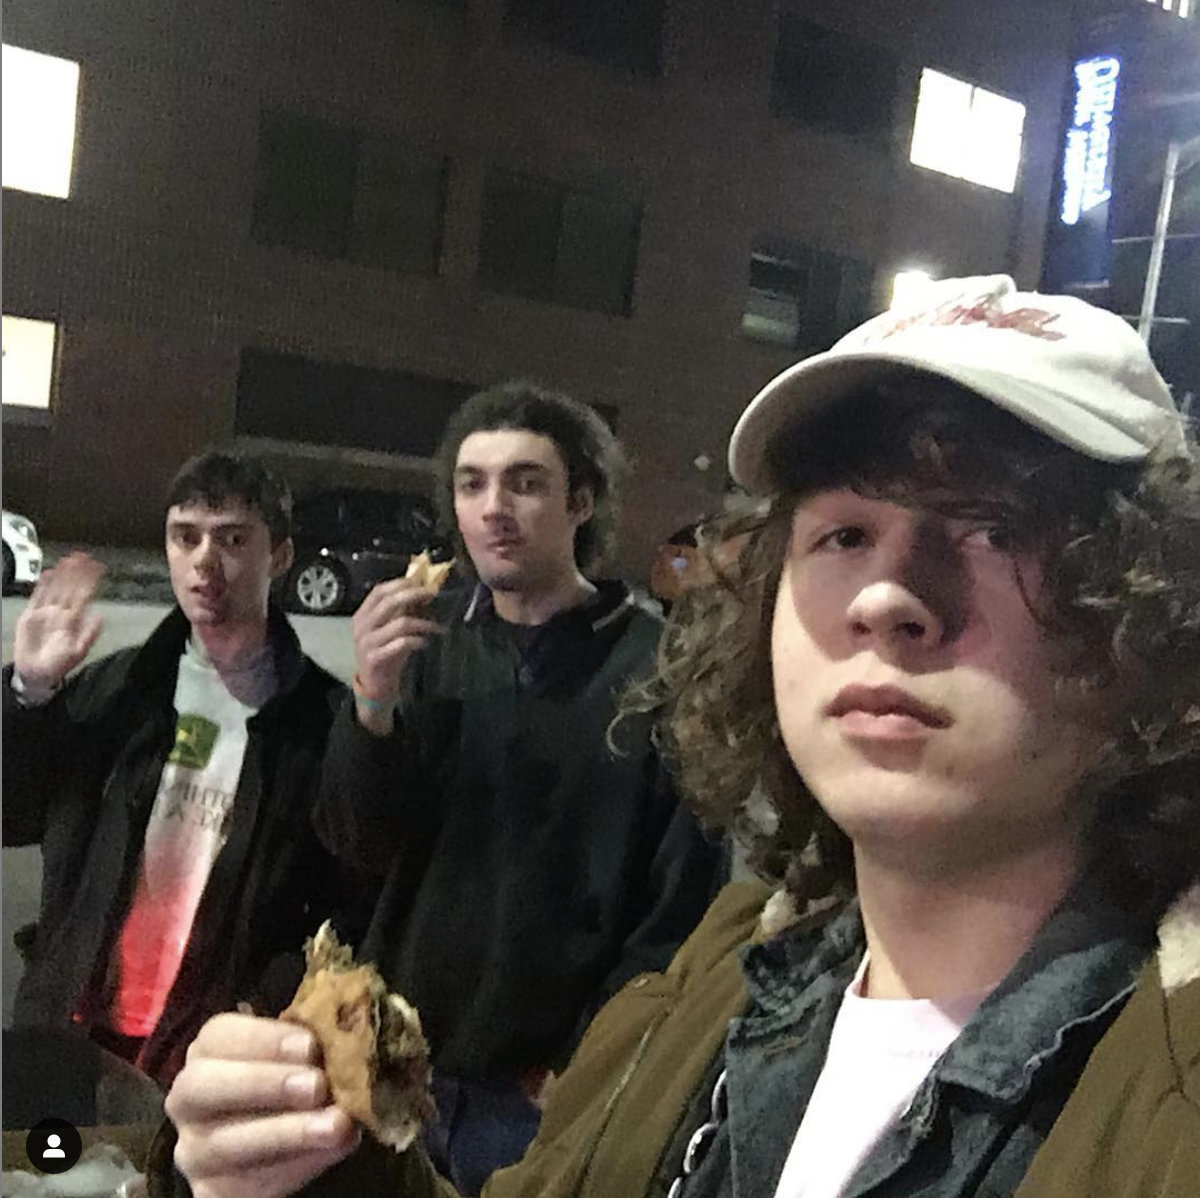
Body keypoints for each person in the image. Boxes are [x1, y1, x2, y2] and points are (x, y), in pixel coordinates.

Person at [164, 277, 1200, 1197]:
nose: (886, 597)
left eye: (994, 531)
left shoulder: (1168, 1107)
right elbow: (357, 842)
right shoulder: (714, 991)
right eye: (843, 534)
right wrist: (317, 1173)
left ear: (1156, 610)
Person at [310, 382, 721, 1192]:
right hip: (399, 1068)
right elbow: (356, 844)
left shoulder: (657, 671)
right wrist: (371, 700)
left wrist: (588, 1062)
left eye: (525, 483)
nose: (494, 508)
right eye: (472, 485)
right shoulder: (426, 644)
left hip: (540, 1100)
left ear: (582, 502)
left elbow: (680, 907)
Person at [3, 450, 365, 1086]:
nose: (204, 560)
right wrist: (29, 692)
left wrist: (268, 1003)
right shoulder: (120, 691)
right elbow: (13, 815)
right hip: (74, 1031)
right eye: (185, 536)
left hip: (212, 1053)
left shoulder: (320, 722)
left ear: (280, 556)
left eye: (232, 539)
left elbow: (347, 901)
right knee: (55, 1154)